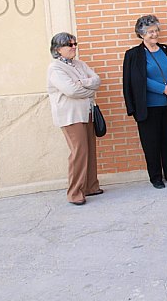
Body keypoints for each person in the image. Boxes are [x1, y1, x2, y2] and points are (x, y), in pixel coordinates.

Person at [122, 15, 167, 189]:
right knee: (151, 143)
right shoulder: (133, 55)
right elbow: (137, 80)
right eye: (150, 31)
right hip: (148, 107)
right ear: (141, 34)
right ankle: (156, 177)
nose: (154, 34)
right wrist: (164, 89)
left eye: (156, 30)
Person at [47, 32, 103, 205]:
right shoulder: (55, 68)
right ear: (58, 49)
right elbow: (71, 91)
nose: (73, 47)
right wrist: (88, 87)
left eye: (74, 44)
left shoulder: (79, 64)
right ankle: (74, 192)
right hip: (70, 116)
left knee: (89, 150)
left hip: (86, 113)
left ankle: (91, 186)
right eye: (69, 45)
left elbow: (97, 80)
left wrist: (82, 83)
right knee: (79, 152)